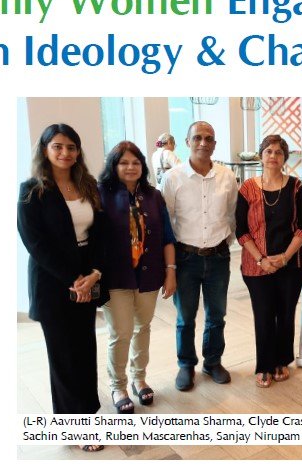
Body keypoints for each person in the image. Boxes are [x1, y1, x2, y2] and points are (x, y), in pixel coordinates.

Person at [17, 123, 106, 453]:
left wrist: (94, 273)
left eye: (71, 147)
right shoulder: (32, 190)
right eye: (58, 146)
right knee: (64, 357)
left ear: (78, 151)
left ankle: (88, 415)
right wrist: (73, 279)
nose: (65, 152)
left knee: (85, 351)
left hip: (87, 276)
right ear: (45, 150)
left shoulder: (88, 184)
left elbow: (100, 233)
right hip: (52, 281)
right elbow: (35, 243)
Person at [98, 141, 177, 413]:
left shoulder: (153, 196)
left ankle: (139, 378)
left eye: (135, 163)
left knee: (142, 327)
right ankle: (118, 386)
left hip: (149, 274)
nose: (130, 167)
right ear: (114, 166)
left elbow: (167, 237)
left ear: (143, 166)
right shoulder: (99, 194)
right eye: (124, 163)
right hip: (115, 277)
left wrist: (170, 272)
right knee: (121, 332)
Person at [160, 121, 238, 390]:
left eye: (209, 138)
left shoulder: (227, 177)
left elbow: (232, 215)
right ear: (187, 142)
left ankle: (213, 362)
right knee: (185, 318)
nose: (203, 143)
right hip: (185, 258)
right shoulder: (172, 178)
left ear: (214, 143)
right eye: (197, 138)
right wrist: (169, 265)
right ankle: (186, 365)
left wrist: (223, 243)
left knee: (217, 315)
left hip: (218, 257)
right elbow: (166, 222)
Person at [235, 135, 302, 388]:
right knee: (264, 314)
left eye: (279, 152)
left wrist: (284, 257)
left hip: (293, 263)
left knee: (285, 313)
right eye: (268, 151)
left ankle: (281, 360)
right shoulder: (247, 188)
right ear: (261, 155)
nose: (273, 156)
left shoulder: (296, 186)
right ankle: (264, 365)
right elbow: (241, 230)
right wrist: (262, 259)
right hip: (256, 264)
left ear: (285, 158)